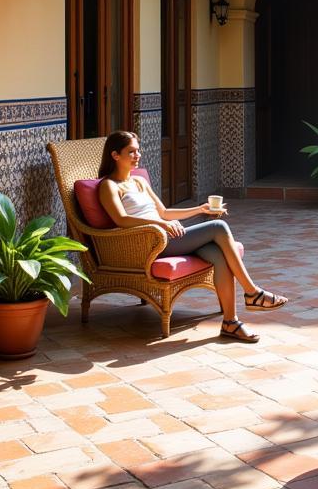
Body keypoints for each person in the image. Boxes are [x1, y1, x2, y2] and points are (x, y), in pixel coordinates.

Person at [97, 130, 287, 343]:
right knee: (218, 226)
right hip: (149, 242)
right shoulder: (108, 186)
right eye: (131, 152)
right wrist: (160, 224)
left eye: (138, 150)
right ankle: (252, 292)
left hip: (166, 235)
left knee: (218, 254)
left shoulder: (139, 181)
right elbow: (121, 219)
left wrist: (201, 209)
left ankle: (230, 322)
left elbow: (165, 212)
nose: (138, 155)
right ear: (115, 155)